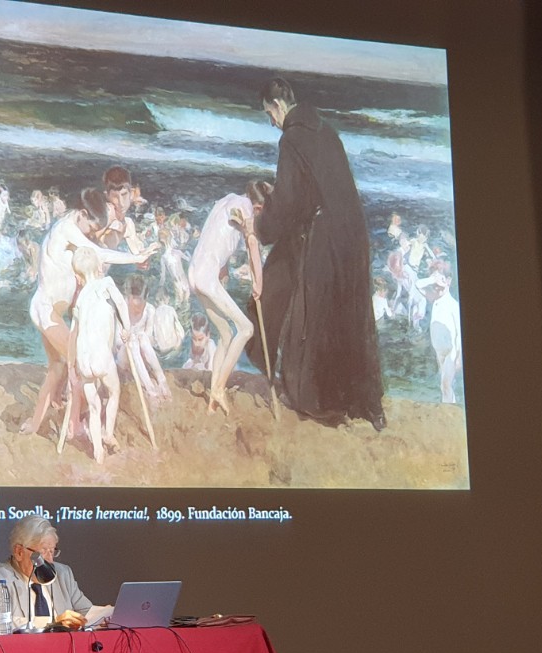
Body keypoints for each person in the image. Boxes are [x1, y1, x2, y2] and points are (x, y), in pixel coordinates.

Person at [246, 77, 386, 430]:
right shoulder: (327, 131)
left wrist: (261, 227)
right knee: (349, 313)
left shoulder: (291, 139)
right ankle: (364, 403)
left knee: (314, 313)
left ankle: (316, 402)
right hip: (353, 235)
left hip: (325, 235)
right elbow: (323, 189)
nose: (271, 122)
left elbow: (289, 201)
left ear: (278, 106)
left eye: (269, 114)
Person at [20, 189, 155, 438]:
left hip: (50, 309)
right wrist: (135, 257)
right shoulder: (66, 229)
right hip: (47, 311)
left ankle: (36, 423)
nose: (91, 234)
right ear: (82, 214)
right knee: (78, 366)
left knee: (58, 367)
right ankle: (75, 425)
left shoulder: (74, 226)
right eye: (91, 227)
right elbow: (97, 254)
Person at [188, 181, 269, 413]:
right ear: (259, 208)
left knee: (225, 334)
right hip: (206, 276)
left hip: (194, 273)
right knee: (246, 329)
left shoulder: (227, 200)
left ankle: (213, 402)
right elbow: (252, 244)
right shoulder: (246, 208)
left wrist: (223, 269)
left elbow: (215, 237)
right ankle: (219, 388)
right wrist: (259, 283)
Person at [69, 247, 133, 462]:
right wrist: (127, 328)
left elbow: (74, 331)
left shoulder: (80, 299)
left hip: (84, 359)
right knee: (114, 392)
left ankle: (97, 451)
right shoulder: (106, 283)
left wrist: (71, 365)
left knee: (94, 407)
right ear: (99, 267)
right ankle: (108, 433)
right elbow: (121, 303)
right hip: (101, 355)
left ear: (78, 276)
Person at [0, 515, 96, 630]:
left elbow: (87, 612)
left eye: (52, 551)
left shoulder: (63, 574)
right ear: (19, 552)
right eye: (43, 551)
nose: (50, 560)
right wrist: (53, 623)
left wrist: (101, 618)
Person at [419, 269, 463, 404]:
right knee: (443, 384)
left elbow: (459, 333)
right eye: (436, 282)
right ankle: (448, 406)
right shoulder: (435, 299)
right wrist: (433, 279)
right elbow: (418, 285)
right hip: (439, 351)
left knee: (446, 384)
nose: (437, 285)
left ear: (448, 281)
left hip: (451, 351)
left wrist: (459, 357)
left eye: (442, 279)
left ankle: (451, 409)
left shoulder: (453, 305)